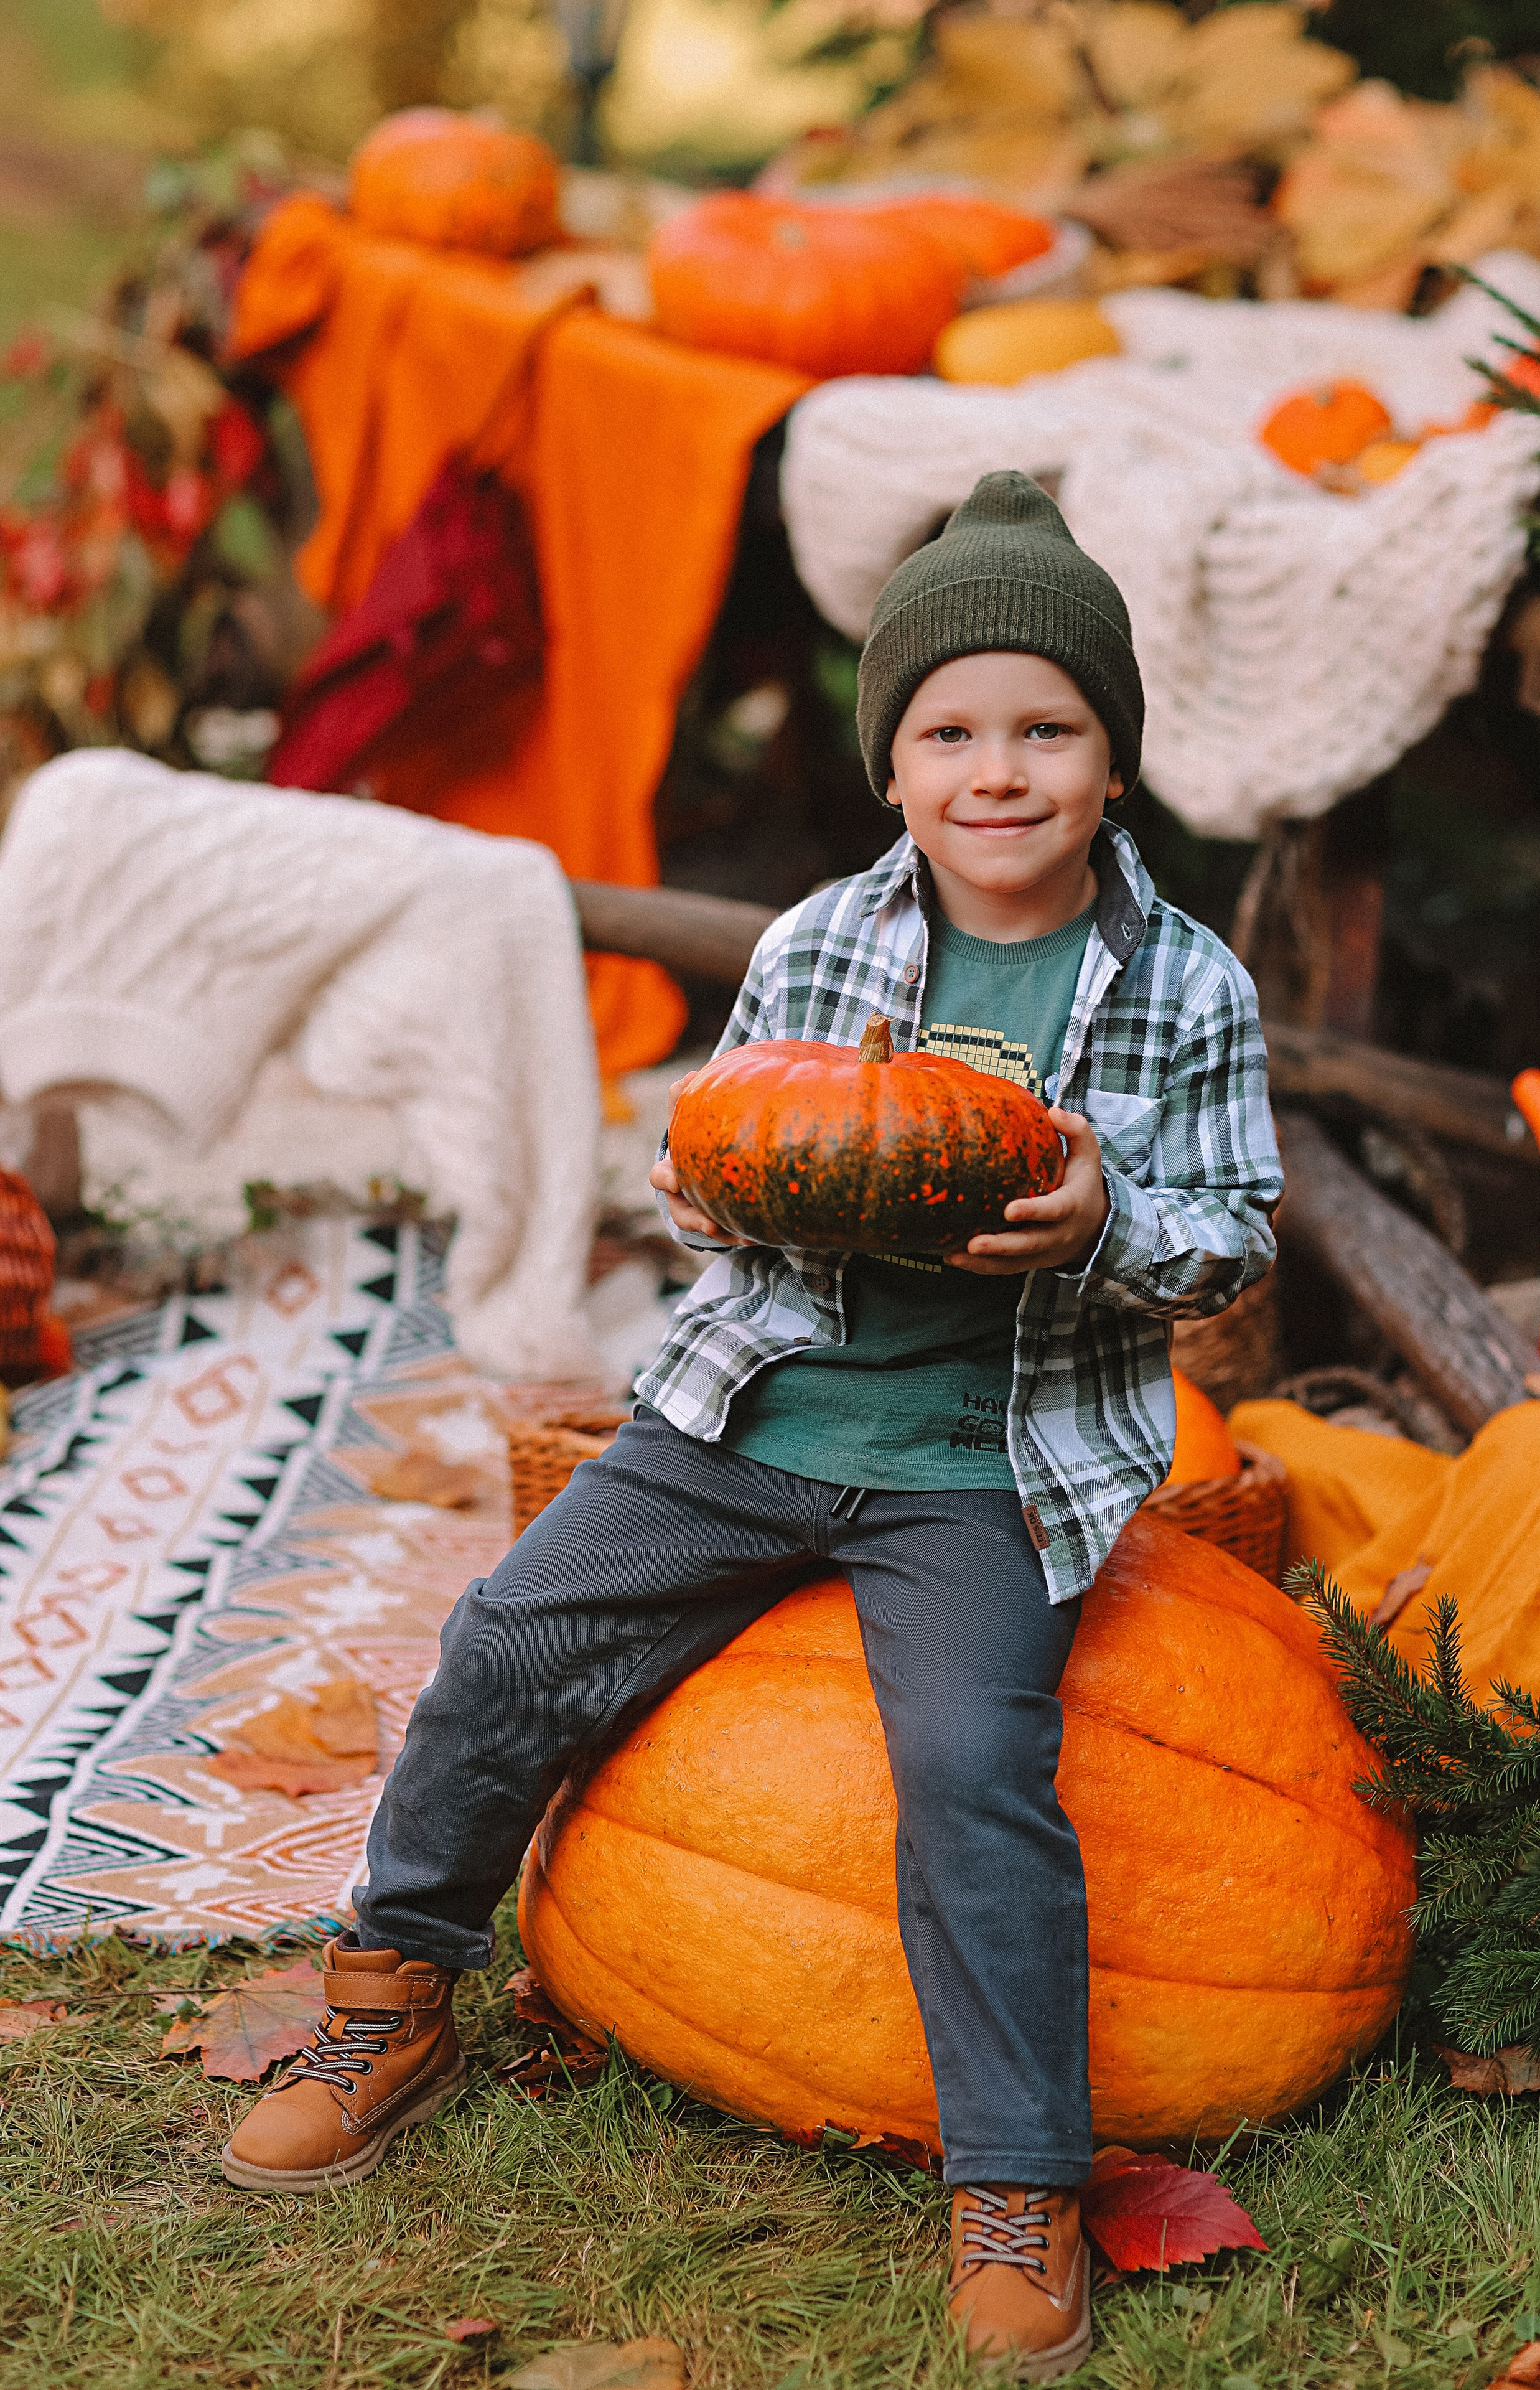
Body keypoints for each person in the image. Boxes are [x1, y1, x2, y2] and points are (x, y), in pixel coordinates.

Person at [219, 471, 1281, 2380]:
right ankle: (391, 1989)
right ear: (895, 767)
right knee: (507, 1641)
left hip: (990, 1456)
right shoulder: (815, 944)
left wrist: (1112, 1219)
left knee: (972, 1767)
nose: (999, 770)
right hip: (755, 1414)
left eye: (1049, 728)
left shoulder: (1188, 983)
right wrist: (708, 1198)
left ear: (1115, 762)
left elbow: (1232, 1241)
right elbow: (726, 1145)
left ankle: (1018, 2178)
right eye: (951, 731)